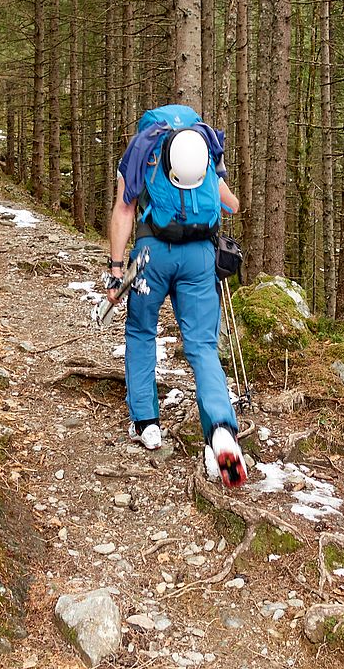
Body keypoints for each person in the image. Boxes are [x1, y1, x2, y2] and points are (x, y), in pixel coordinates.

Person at [105, 104, 247, 488]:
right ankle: (221, 433)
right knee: (202, 346)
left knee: (140, 331)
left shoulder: (143, 149)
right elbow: (231, 204)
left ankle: (147, 423)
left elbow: (124, 210)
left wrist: (117, 268)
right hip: (201, 259)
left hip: (152, 256)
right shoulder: (204, 147)